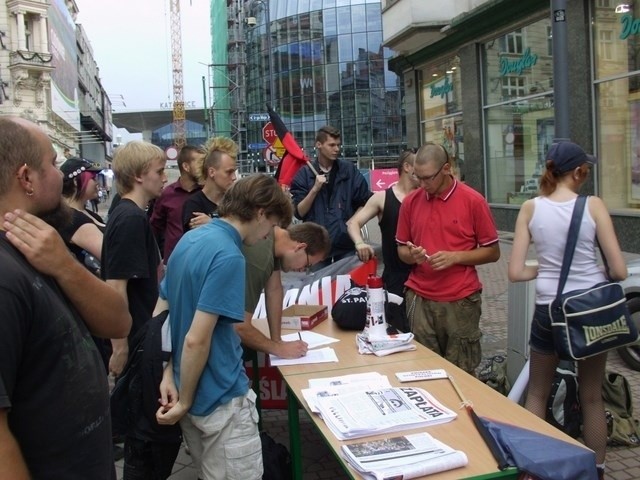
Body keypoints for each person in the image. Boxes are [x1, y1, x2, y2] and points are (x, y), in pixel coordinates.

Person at [0, 116, 131, 479]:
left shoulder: (42, 247)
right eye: (54, 163)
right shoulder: (5, 277)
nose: (62, 176)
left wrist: (64, 265)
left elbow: (118, 320)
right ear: (26, 178)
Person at [156, 174, 293, 480]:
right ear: (259, 212)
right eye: (271, 226)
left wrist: (168, 372)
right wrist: (186, 399)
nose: (267, 236)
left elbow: (162, 315)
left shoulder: (190, 239)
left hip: (183, 386)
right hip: (219, 396)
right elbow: (196, 339)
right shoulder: (230, 256)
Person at [508, 141, 627, 480]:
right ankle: (597, 470)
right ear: (578, 172)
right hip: (589, 313)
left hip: (549, 309)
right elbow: (618, 271)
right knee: (591, 396)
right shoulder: (594, 206)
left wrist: (545, 270)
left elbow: (516, 272)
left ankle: (534, 468)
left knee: (537, 392)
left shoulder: (530, 208)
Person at [101, 140, 180, 479]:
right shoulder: (130, 218)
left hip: (139, 338)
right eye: (159, 171)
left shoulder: (129, 212)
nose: (165, 178)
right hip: (136, 343)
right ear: (137, 176)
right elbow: (115, 288)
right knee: (145, 443)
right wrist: (120, 347)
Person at [396, 143, 500, 374]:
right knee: (423, 370)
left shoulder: (473, 201)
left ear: (446, 169)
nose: (422, 184)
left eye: (428, 178)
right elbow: (401, 250)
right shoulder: (411, 202)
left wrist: (456, 257)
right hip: (420, 297)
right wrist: (412, 256)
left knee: (461, 373)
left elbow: (493, 252)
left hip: (460, 299)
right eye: (417, 177)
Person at [347, 149, 418, 332]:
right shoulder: (382, 198)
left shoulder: (425, 197)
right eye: (420, 164)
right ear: (407, 167)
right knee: (396, 331)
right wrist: (360, 243)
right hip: (395, 278)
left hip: (423, 277)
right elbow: (354, 222)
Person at [239, 222, 331, 359]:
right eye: (308, 265)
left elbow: (274, 290)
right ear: (300, 247)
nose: (303, 270)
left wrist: (277, 340)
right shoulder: (260, 257)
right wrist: (278, 349)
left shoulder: (273, 241)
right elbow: (239, 325)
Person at [290, 125, 371, 268]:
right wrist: (315, 189)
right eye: (332, 145)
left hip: (345, 242)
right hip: (316, 244)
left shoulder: (348, 170)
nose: (337, 149)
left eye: (338, 145)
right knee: (320, 288)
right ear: (319, 145)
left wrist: (353, 222)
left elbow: (365, 201)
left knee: (348, 286)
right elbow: (300, 212)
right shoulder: (305, 174)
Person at [58, 157, 110, 368]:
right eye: (93, 178)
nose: (97, 183)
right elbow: (109, 253)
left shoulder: (85, 213)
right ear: (78, 181)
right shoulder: (73, 219)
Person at [150, 144, 203, 263]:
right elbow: (155, 228)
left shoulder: (206, 193)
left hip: (200, 261)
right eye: (200, 163)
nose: (204, 167)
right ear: (186, 166)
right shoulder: (166, 194)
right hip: (173, 262)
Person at [182, 137, 237, 232]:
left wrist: (212, 223)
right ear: (212, 172)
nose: (234, 177)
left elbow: (243, 234)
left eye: (234, 172)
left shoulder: (236, 202)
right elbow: (200, 240)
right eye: (229, 172)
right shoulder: (193, 204)